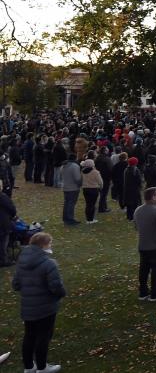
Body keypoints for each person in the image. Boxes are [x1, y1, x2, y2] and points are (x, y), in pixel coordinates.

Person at [12, 232, 66, 373]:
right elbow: (56, 287)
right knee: (43, 336)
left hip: (28, 307)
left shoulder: (21, 261)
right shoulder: (49, 264)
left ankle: (29, 367)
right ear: (44, 245)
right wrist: (61, 294)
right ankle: (42, 367)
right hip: (46, 307)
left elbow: (16, 285)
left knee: (29, 335)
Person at [80, 156, 103, 224]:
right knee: (92, 204)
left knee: (88, 204)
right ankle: (91, 219)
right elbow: (100, 182)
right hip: (93, 189)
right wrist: (101, 187)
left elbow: (81, 180)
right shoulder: (95, 172)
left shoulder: (82, 172)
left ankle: (88, 219)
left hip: (85, 189)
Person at [60, 154, 81, 225]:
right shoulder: (75, 166)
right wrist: (80, 184)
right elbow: (77, 178)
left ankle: (65, 218)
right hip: (73, 187)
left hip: (65, 186)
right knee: (71, 204)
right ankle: (70, 219)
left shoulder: (63, 166)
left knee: (67, 203)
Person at [123, 157, 143, 221]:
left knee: (129, 203)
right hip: (134, 189)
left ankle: (129, 217)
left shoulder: (126, 170)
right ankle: (134, 217)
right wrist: (140, 186)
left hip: (128, 188)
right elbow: (139, 180)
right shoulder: (136, 170)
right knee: (135, 203)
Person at [0, 190, 16, 267]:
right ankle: (3, 260)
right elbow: (12, 209)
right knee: (3, 242)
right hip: (3, 223)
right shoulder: (3, 197)